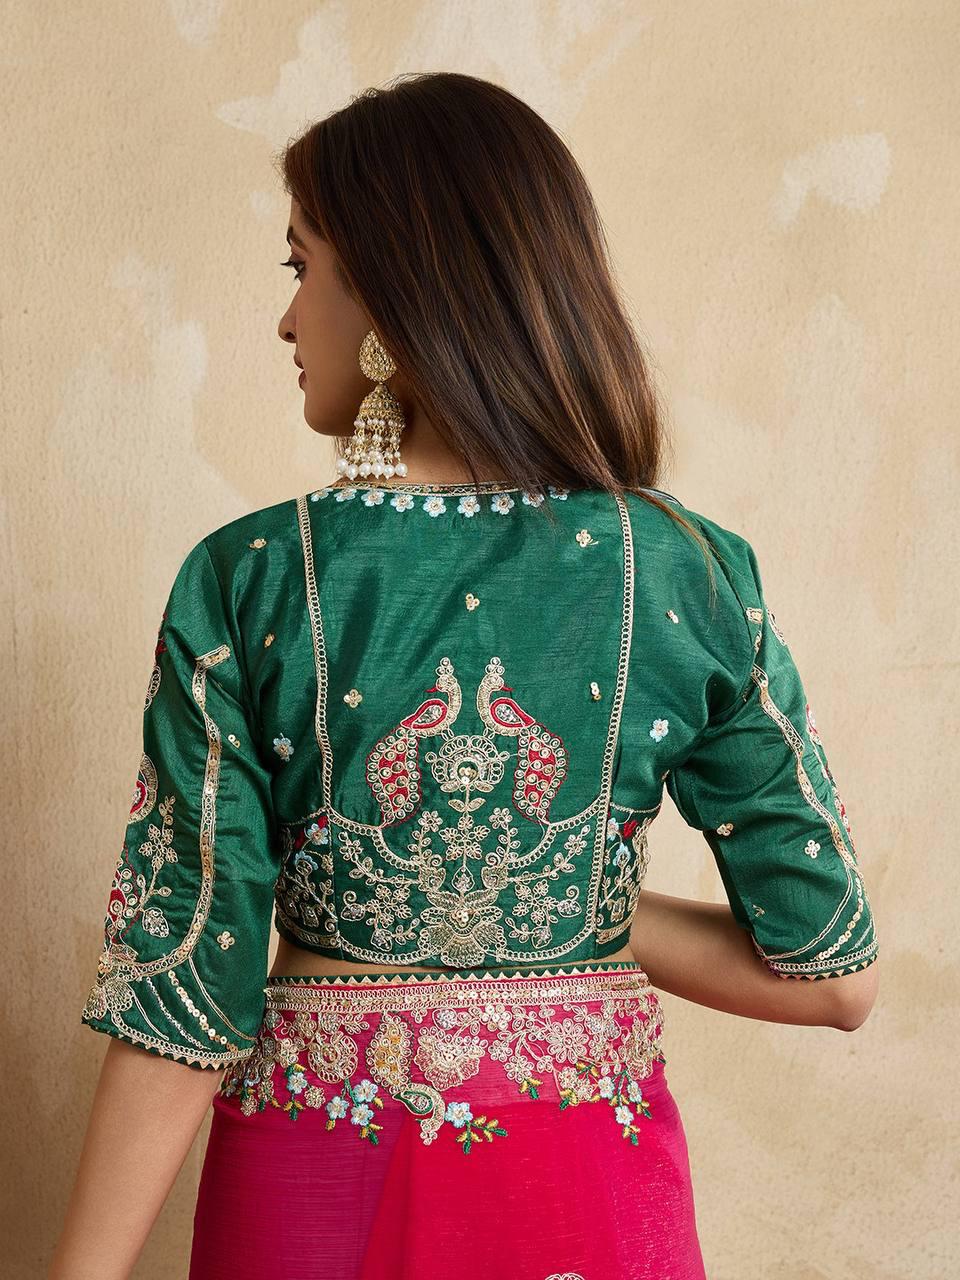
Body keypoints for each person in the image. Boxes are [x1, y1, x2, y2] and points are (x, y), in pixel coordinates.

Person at [49, 71, 879, 1280]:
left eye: (301, 267)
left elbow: (186, 989)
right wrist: (559, 909)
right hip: (591, 1184)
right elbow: (833, 973)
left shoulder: (255, 577)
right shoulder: (690, 570)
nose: (288, 322)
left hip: (319, 1180)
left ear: (391, 291)